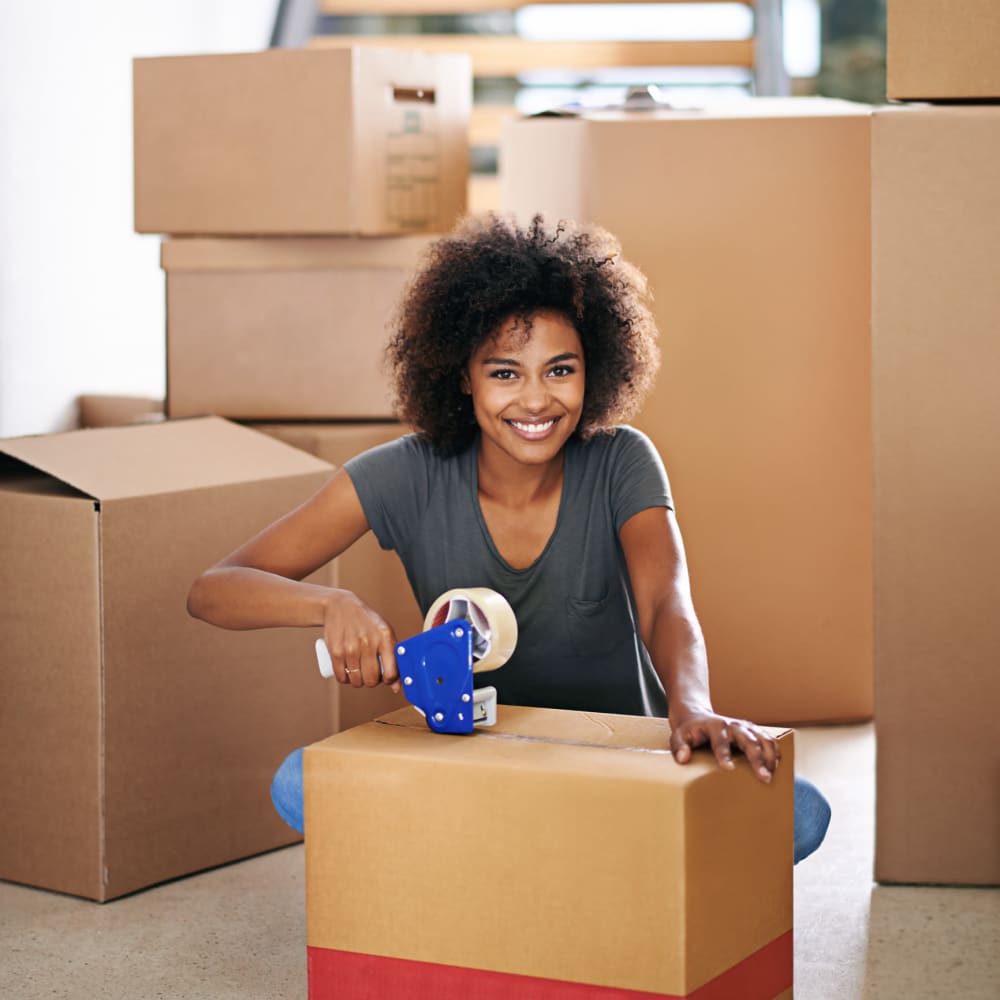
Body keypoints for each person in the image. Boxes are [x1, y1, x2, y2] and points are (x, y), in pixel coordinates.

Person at [187, 213, 830, 864]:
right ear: (461, 376)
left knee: (799, 811)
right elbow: (213, 590)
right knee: (301, 784)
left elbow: (667, 603)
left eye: (559, 370)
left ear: (595, 369)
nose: (534, 401)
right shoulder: (405, 475)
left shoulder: (621, 460)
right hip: (482, 765)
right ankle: (563, 864)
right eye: (503, 373)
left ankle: (524, 865)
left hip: (616, 763)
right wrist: (331, 607)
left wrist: (692, 708)